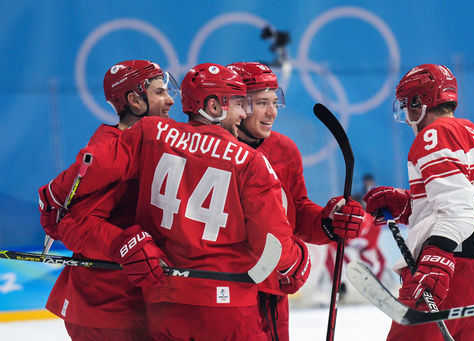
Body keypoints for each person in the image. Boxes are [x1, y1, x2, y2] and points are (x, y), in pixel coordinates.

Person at [52, 62, 333, 341]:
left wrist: (53, 194)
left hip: (164, 303)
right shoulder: (249, 160)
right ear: (213, 106)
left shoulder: (153, 134)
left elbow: (91, 169)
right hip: (226, 307)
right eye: (240, 102)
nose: (245, 112)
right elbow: (273, 242)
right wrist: (296, 259)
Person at [37, 59, 179, 340]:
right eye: (160, 92)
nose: (170, 101)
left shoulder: (150, 143)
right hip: (106, 311)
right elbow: (74, 225)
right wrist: (122, 244)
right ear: (135, 101)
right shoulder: (110, 154)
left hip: (134, 304)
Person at [227, 61, 365, 341]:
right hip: (223, 289)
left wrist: (329, 222)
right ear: (236, 104)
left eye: (275, 102)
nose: (272, 112)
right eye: (262, 103)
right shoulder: (207, 147)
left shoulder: (284, 150)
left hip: (270, 292)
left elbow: (296, 212)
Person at [363, 64, 474, 341]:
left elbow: (456, 207)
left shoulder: (433, 135)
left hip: (450, 269)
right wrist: (409, 204)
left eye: (407, 104)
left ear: (419, 102)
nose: (407, 114)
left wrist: (437, 258)